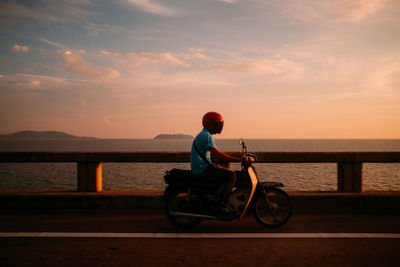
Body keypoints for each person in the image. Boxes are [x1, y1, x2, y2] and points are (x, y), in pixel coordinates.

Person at [190, 111, 245, 210]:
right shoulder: (206, 136)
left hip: (203, 166)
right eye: (217, 124)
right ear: (211, 124)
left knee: (224, 172)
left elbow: (215, 154)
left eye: (220, 124)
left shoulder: (205, 134)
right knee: (231, 176)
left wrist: (234, 155)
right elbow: (218, 155)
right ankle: (220, 203)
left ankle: (215, 197)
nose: (220, 127)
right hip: (202, 169)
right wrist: (239, 159)